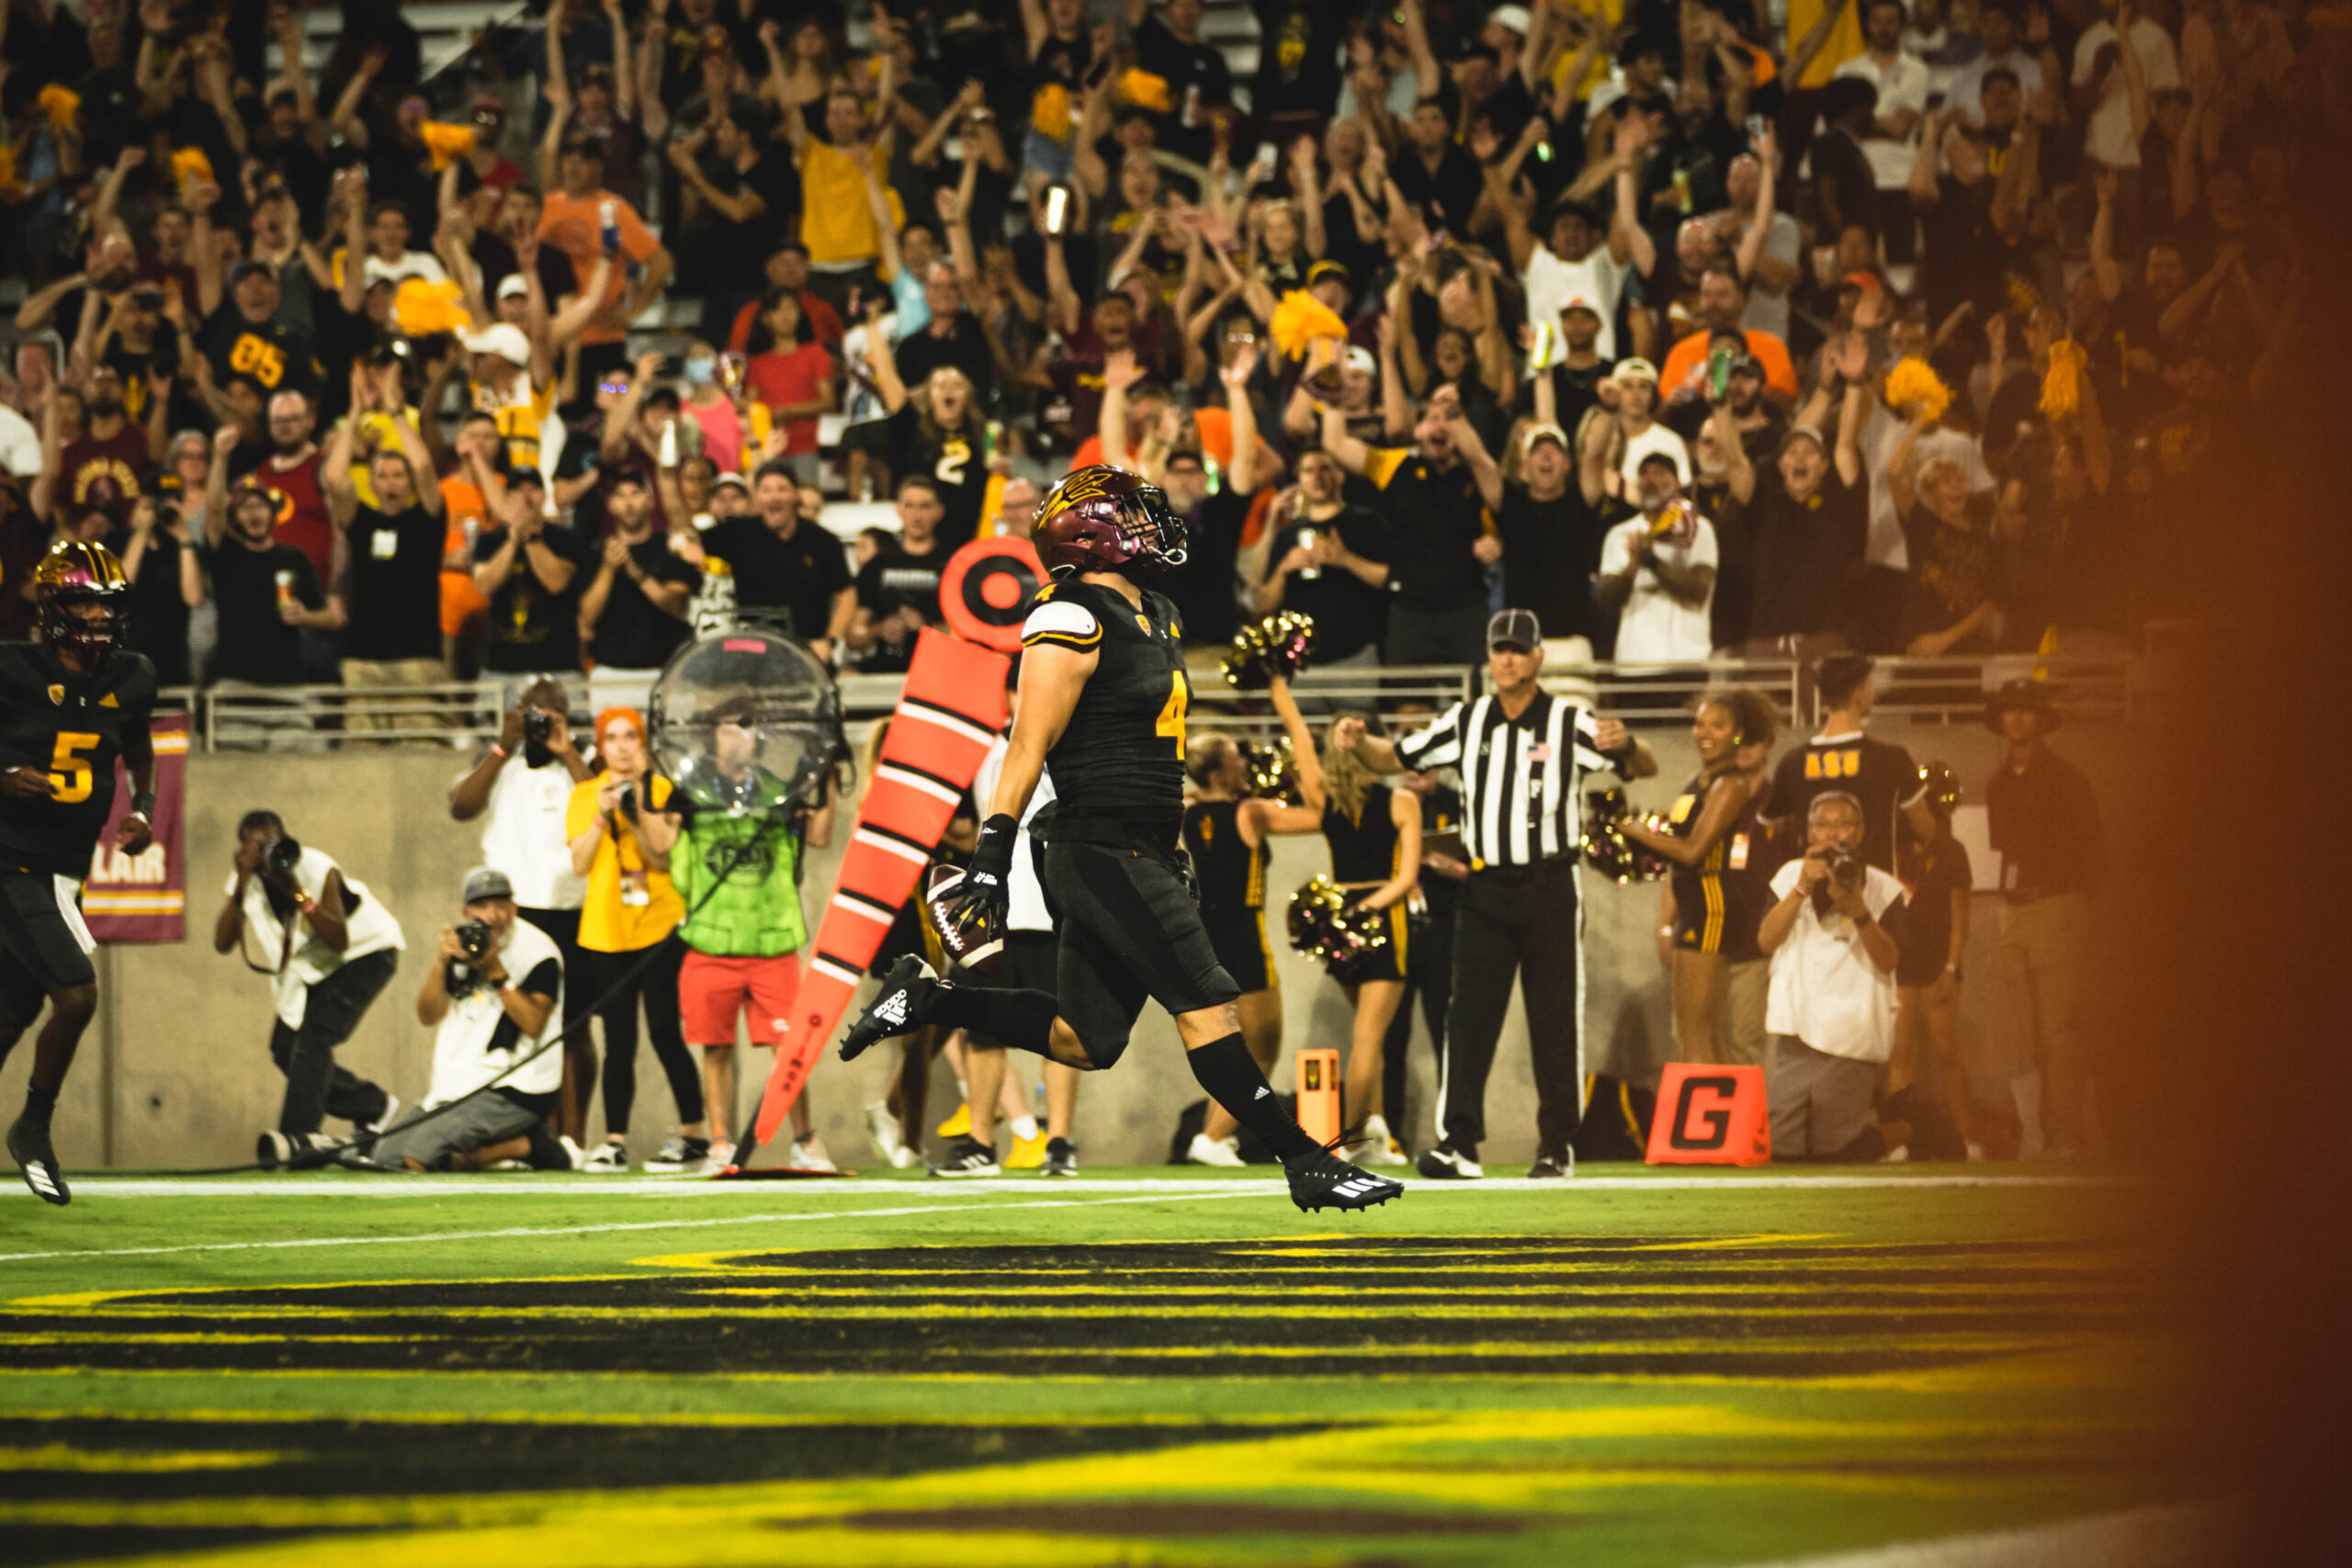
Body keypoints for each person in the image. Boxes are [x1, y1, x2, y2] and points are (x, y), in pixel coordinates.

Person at [838, 466, 1406, 1213]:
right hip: (1095, 844)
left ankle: (928, 1000)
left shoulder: (1161, 611)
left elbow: (1158, 756)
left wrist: (1176, 850)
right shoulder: (1068, 612)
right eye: (1131, 512)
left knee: (1085, 1039)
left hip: (1145, 847)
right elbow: (1026, 745)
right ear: (1090, 531)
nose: (1150, 522)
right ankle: (1306, 1160)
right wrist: (990, 859)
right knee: (1209, 1009)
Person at [1336, 609, 1657, 1180]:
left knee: (1554, 1019)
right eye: (1499, 648)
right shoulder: (1468, 719)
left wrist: (1630, 742)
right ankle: (1459, 1143)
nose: (1507, 658)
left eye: (1518, 649)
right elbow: (1395, 758)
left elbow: (1640, 765)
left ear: (1537, 658)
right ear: (1489, 657)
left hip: (1550, 885)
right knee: (1469, 1020)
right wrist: (1360, 741)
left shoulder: (1567, 721)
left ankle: (1557, 1146)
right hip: (1484, 888)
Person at [0, 543, 156, 1205]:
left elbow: (140, 751)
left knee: (11, 1013)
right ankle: (34, 1127)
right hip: (10, 857)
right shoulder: (11, 667)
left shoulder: (134, 673)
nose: (96, 615)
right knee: (76, 994)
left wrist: (144, 809)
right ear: (52, 606)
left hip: (66, 864)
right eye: (83, 601)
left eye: (105, 603)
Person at [662, 708, 837, 1176]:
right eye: (730, 726)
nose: (742, 736)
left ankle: (804, 1140)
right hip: (710, 945)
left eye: (749, 726)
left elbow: (819, 835)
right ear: (711, 737)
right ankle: (720, 1143)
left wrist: (828, 776)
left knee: (790, 1050)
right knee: (715, 1050)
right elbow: (663, 851)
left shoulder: (778, 789)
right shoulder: (691, 794)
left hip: (771, 945)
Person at [1179, 675, 1325, 1167]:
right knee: (1264, 1048)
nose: (1247, 760)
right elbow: (1320, 810)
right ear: (1221, 773)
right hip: (1245, 938)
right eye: (1238, 756)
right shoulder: (1251, 813)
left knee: (1230, 1050)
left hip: (1203, 941)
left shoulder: (1186, 813)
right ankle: (1215, 1137)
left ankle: (1216, 1136)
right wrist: (1292, 721)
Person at [448, 682, 597, 1153]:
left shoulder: (581, 761)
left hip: (571, 908)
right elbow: (460, 807)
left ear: (565, 716)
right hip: (512, 914)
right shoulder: (500, 764)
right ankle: (535, 1137)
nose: (540, 721)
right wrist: (501, 743)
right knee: (520, 1025)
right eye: (532, 712)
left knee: (574, 1027)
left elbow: (599, 802)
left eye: (551, 713)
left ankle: (575, 1136)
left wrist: (567, 747)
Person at [215, 809, 406, 1169]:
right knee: (285, 1047)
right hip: (311, 971)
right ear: (243, 851)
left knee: (314, 1037)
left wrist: (299, 894)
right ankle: (371, 1106)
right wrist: (241, 881)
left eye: (274, 843)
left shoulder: (315, 868)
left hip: (365, 953)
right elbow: (223, 942)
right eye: (257, 847)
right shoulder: (245, 880)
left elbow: (337, 938)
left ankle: (296, 1139)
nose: (269, 854)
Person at [565, 706, 706, 1170]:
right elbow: (580, 863)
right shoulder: (584, 794)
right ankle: (614, 1140)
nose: (622, 747)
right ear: (601, 746)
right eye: (613, 738)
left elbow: (662, 856)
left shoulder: (663, 790)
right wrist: (603, 817)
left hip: (660, 927)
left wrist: (639, 802)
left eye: (631, 737)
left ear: (643, 744)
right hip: (606, 931)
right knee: (617, 1039)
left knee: (666, 1030)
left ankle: (694, 1134)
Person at [369, 868, 570, 1173]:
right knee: (386, 1157)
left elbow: (533, 1023)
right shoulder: (462, 945)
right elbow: (427, 1015)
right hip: (458, 1084)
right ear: (466, 912)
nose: (494, 915)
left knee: (420, 1156)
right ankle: (526, 1145)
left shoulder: (538, 952)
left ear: (515, 907)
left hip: (516, 1086)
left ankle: (528, 1146)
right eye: (483, 906)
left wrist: (496, 972)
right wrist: (440, 963)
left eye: (502, 905)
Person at [1623, 691, 1779, 1066]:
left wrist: (1630, 830)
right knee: (1704, 1036)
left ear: (1738, 735)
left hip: (1711, 909)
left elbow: (1692, 850)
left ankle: (1701, 1126)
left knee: (1695, 1037)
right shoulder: (1699, 781)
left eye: (1718, 725)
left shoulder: (1732, 785)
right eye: (1700, 723)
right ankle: (1728, 1124)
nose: (1705, 733)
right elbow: (1673, 847)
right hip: (1693, 907)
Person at [1984, 679, 2102, 1158]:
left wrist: (2071, 905)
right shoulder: (1996, 784)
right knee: (2020, 1032)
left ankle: (2066, 1133)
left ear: (2040, 719)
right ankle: (2034, 1133)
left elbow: (2095, 852)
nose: (2017, 720)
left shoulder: (2067, 779)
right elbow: (2003, 849)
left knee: (2060, 1028)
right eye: (2009, 711)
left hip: (2057, 904)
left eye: (2026, 711)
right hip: (2014, 907)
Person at [1758, 792, 1911, 1160]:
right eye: (1824, 825)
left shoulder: (1883, 888)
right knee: (1783, 1150)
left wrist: (1859, 910)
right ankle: (1884, 1123)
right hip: (1798, 1024)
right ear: (1810, 833)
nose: (1834, 834)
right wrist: (1801, 889)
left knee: (1835, 1150)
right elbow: (1766, 940)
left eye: (1843, 824)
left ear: (1859, 832)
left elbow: (1889, 960)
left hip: (1853, 1028)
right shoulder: (1787, 878)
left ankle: (1910, 1127)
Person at [1319, 387, 1502, 669]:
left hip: (1466, 609)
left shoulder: (1474, 473)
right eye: (1432, 418)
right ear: (1416, 431)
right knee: (1409, 704)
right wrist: (1332, 385)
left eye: (1448, 420)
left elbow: (1487, 473)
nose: (1441, 426)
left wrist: (1495, 543)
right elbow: (1336, 445)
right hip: (1411, 607)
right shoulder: (1397, 465)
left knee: (1474, 701)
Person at [322, 374, 446, 729]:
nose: (391, 482)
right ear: (373, 484)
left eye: (398, 475)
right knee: (360, 762)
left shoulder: (427, 519)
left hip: (417, 657)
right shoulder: (361, 520)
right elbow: (334, 477)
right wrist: (355, 413)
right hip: (362, 660)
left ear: (410, 484)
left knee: (421, 754)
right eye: (383, 476)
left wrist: (395, 413)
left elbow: (423, 465)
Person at [1766, 654, 1937, 874]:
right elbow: (1925, 828)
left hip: (1813, 897)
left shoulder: (1793, 761)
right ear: (1860, 691)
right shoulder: (1892, 758)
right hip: (1876, 897)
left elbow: (1769, 828)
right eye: (1870, 686)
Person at [1891, 761, 1976, 1159]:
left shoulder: (1953, 852)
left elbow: (1961, 920)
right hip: (1902, 964)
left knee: (1947, 1052)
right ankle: (1897, 1141)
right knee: (1900, 1052)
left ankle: (1965, 1137)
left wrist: (1951, 968)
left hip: (1938, 963)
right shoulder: (1897, 852)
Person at [701, 460, 854, 660]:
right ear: (756, 497)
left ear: (796, 495)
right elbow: (689, 538)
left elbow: (846, 594)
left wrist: (830, 641)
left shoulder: (822, 541)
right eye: (766, 490)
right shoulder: (738, 534)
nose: (774, 497)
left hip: (806, 654)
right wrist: (687, 547)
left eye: (782, 489)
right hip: (749, 652)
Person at [1596, 454, 1719, 671]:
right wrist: (1632, 567)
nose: (1650, 480)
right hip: (1633, 664)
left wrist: (1651, 561)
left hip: (1687, 663)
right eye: (1644, 474)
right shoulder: (1619, 534)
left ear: (1678, 484)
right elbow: (1607, 600)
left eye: (1660, 472)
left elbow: (1699, 590)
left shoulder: (1699, 529)